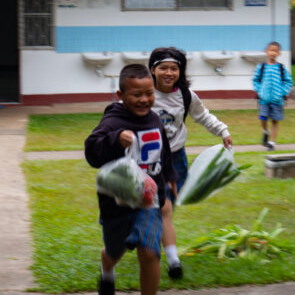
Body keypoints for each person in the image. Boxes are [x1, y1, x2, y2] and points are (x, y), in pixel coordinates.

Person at [85, 64, 177, 295]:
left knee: (149, 252)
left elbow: (163, 152)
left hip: (149, 202)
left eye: (149, 93)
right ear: (120, 96)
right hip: (116, 204)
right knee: (114, 251)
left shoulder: (155, 119)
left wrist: (170, 177)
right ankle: (107, 271)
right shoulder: (113, 122)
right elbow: (91, 152)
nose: (144, 100)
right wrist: (115, 139)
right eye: (137, 94)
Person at [148, 47, 233, 279]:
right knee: (159, 206)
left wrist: (222, 130)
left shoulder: (185, 95)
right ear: (153, 70)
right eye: (163, 68)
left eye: (174, 68)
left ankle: (153, 233)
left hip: (176, 158)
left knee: (170, 204)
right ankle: (168, 256)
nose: (168, 72)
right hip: (149, 159)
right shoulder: (145, 93)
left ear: (180, 71)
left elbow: (203, 115)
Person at [253, 41, 293, 151]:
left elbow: (288, 82)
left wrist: (283, 92)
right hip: (264, 99)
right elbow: (256, 80)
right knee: (262, 118)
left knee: (275, 121)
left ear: (279, 53)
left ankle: (271, 143)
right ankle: (265, 131)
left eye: (275, 51)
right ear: (266, 51)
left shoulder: (281, 68)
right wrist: (260, 91)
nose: (273, 53)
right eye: (271, 50)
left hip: (277, 100)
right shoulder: (261, 67)